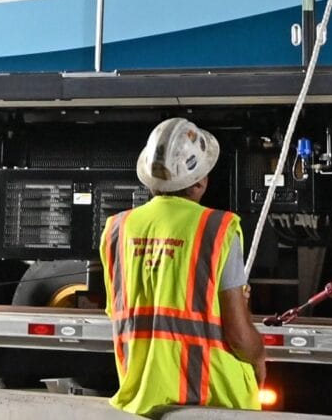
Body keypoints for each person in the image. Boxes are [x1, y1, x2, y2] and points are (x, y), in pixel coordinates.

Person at [99, 117, 268, 415]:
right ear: (200, 181)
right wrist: (258, 356)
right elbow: (240, 337)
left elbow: (123, 311)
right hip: (213, 397)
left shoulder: (117, 229)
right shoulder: (217, 229)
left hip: (142, 400)